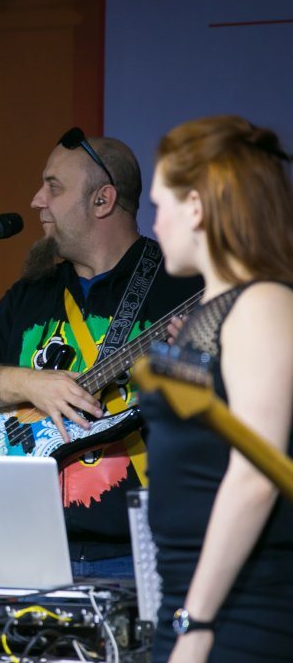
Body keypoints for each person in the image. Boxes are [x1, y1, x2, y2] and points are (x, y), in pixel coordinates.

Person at [0, 128, 202, 578]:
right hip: (27, 551)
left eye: (53, 187)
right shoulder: (33, 294)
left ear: (102, 200)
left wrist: (200, 362)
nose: (37, 201)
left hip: (143, 557)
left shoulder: (185, 289)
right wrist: (30, 383)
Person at [143, 115, 293, 662]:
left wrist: (199, 622)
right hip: (191, 598)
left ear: (196, 207)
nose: (154, 224)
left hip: (240, 611)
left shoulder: (263, 303)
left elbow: (255, 473)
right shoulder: (214, 309)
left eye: (160, 205)